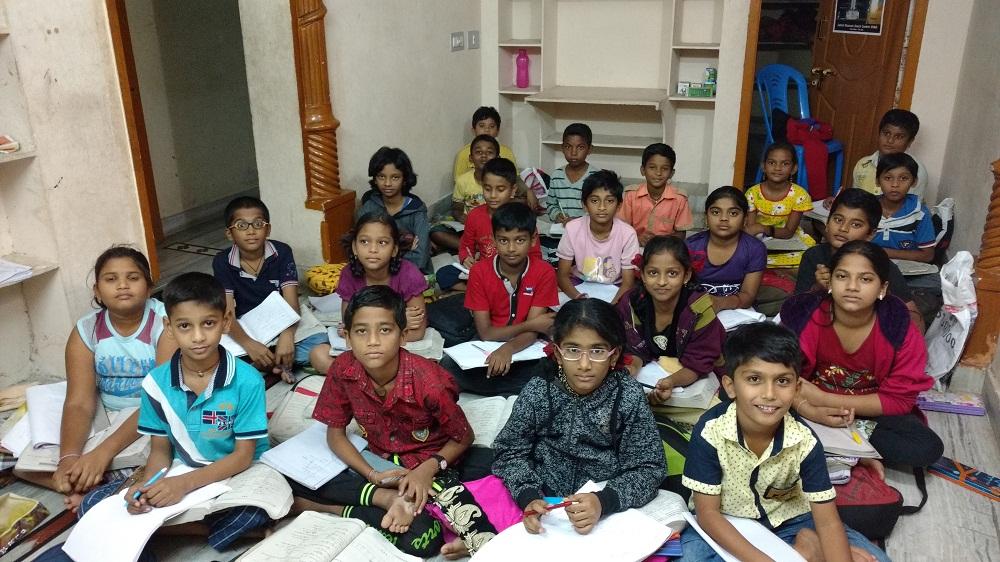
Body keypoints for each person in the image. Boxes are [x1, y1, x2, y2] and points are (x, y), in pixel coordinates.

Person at [292, 286, 498, 559]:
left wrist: (426, 470)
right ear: (348, 337)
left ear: (403, 336)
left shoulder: (430, 382)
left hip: (428, 461)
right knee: (296, 473)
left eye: (385, 330)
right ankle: (385, 499)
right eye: (361, 331)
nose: (372, 341)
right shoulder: (343, 369)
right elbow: (336, 435)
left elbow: (463, 437)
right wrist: (371, 474)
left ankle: (335, 508)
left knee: (424, 540)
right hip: (378, 460)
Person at [79, 272, 272, 551]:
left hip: (238, 472)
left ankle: (179, 528)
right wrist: (148, 486)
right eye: (184, 326)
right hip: (185, 468)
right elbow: (160, 451)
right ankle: (205, 528)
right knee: (92, 504)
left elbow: (243, 456)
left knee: (253, 511)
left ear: (226, 322)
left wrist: (184, 484)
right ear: (168, 327)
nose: (198, 337)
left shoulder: (247, 380)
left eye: (208, 323)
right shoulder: (156, 383)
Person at [678, 322, 888, 562]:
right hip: (727, 523)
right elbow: (708, 514)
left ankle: (806, 547)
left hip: (792, 520)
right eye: (754, 379)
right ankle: (804, 552)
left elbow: (828, 522)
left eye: (782, 381)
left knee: (876, 559)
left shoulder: (804, 441)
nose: (769, 394)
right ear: (730, 386)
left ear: (797, 388)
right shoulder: (710, 432)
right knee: (690, 557)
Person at [14, 247, 176, 512]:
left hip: (153, 415)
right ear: (97, 291)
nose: (122, 285)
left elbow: (160, 401)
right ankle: (85, 481)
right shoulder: (86, 330)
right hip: (106, 415)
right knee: (22, 456)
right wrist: (68, 458)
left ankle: (91, 485)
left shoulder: (164, 325)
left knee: (163, 457)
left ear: (149, 287)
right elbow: (79, 402)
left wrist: (102, 454)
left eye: (133, 278)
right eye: (111, 279)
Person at [492, 298, 666, 536]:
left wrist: (603, 501)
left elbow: (649, 467)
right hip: (544, 498)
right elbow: (509, 451)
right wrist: (528, 496)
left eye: (597, 351)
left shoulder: (627, 395)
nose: (584, 365)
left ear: (614, 355)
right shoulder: (540, 390)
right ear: (558, 353)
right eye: (573, 350)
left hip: (605, 499)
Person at [780, 241, 942, 468]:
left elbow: (899, 401)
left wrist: (825, 399)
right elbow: (775, 373)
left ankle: (823, 441)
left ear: (882, 288)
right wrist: (807, 408)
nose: (852, 287)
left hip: (867, 410)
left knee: (925, 447)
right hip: (804, 405)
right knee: (749, 404)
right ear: (830, 282)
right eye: (842, 276)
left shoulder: (899, 328)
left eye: (865, 279)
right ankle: (843, 444)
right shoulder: (806, 316)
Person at [442, 202, 558, 396]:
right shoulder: (479, 272)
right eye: (503, 240)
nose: (511, 248)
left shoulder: (544, 272)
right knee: (447, 366)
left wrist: (508, 349)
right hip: (488, 344)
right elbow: (486, 333)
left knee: (554, 369)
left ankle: (505, 386)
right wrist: (530, 326)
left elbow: (532, 334)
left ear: (533, 240)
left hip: (526, 345)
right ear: (494, 240)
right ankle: (520, 389)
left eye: (519, 240)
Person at [212, 196, 325, 383]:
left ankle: (269, 362)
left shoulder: (282, 252)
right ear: (229, 233)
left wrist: (287, 336)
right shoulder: (222, 262)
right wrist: (249, 344)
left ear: (268, 229)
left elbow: (291, 302)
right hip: (247, 325)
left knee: (319, 343)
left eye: (258, 224)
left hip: (285, 318)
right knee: (217, 355)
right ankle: (278, 361)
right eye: (241, 225)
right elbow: (228, 313)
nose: (251, 231)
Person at [308, 211, 428, 373]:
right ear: (354, 247)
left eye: (382, 242)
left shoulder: (409, 275)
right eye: (364, 241)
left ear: (394, 249)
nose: (372, 249)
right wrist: (398, 319)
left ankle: (359, 376)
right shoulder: (348, 274)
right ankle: (366, 377)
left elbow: (418, 332)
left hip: (397, 347)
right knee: (318, 355)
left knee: (424, 368)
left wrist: (371, 331)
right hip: (364, 346)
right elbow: (349, 325)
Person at [614, 237, 725, 407]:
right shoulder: (632, 303)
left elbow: (698, 364)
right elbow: (635, 349)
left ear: (686, 275)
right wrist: (632, 369)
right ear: (642, 275)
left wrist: (670, 381)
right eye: (653, 273)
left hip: (701, 380)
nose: (661, 282)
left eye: (672, 273)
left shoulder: (698, 309)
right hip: (652, 376)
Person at [795, 188, 924, 330]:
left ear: (871, 234)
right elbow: (796, 310)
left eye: (856, 224)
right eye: (838, 219)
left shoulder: (881, 265)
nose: (843, 228)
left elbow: (914, 317)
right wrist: (818, 288)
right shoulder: (814, 256)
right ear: (827, 222)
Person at [436, 158, 543, 292]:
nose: (493, 195)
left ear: (513, 190)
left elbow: (535, 254)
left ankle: (486, 290)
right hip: (485, 270)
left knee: (541, 275)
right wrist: (466, 258)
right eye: (487, 189)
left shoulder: (522, 216)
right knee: (444, 274)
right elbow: (466, 246)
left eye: (500, 189)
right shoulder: (475, 216)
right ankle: (486, 290)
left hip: (515, 271)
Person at [556, 170, 640, 304]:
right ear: (584, 204)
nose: (602, 207)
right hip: (580, 284)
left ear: (619, 205)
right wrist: (578, 298)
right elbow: (562, 275)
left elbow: (628, 283)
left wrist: (610, 308)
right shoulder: (572, 228)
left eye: (609, 201)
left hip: (615, 287)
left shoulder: (628, 234)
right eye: (594, 201)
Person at [685, 186, 767, 312]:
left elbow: (748, 296)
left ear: (745, 219)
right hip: (696, 309)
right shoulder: (691, 246)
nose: (724, 218)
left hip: (737, 311)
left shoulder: (754, 249)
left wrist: (719, 303)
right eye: (715, 212)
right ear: (706, 217)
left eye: (733, 213)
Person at [356, 146, 431, 271]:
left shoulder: (417, 210)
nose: (387, 183)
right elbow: (361, 251)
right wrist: (405, 253)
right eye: (381, 177)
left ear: (405, 179)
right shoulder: (368, 208)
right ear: (375, 179)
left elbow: (420, 259)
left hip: (413, 273)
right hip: (377, 272)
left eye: (395, 177)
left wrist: (381, 255)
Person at [745, 142, 815, 267]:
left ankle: (763, 262)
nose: (777, 168)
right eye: (772, 163)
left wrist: (762, 228)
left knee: (809, 255)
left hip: (787, 239)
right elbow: (751, 229)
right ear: (763, 166)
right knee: (745, 251)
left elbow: (788, 232)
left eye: (785, 163)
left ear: (794, 169)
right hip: (758, 239)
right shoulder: (753, 193)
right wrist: (758, 231)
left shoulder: (799, 195)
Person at [618, 143, 693, 244]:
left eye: (664, 168)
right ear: (643, 170)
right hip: (634, 246)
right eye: (652, 167)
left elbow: (681, 234)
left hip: (665, 248)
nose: (658, 173)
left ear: (671, 173)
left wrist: (661, 243)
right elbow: (621, 228)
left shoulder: (680, 199)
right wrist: (637, 238)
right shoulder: (630, 196)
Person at [871, 152, 936, 264]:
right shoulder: (867, 208)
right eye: (888, 178)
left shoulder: (919, 213)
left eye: (903, 178)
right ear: (877, 181)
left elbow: (928, 255)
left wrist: (883, 252)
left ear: (914, 182)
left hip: (906, 269)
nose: (895, 184)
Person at [852, 109, 928, 197]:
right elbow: (854, 200)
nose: (890, 140)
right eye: (886, 133)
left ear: (910, 141)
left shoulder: (917, 171)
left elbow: (910, 204)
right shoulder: (863, 164)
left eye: (899, 137)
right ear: (879, 133)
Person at [547, 123, 599, 225]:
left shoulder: (596, 177)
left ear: (589, 149)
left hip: (586, 229)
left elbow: (600, 210)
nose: (573, 153)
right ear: (562, 148)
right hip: (562, 229)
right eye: (568, 147)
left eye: (580, 147)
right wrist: (557, 215)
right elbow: (551, 205)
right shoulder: (556, 176)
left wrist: (577, 221)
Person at [453, 106, 517, 181]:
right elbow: (459, 182)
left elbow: (514, 179)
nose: (487, 130)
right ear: (473, 130)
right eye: (482, 126)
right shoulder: (463, 154)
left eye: (492, 126)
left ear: (498, 131)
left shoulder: (507, 152)